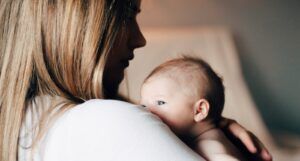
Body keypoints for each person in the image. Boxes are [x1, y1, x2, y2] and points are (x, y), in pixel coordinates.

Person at [0, 0, 272, 161]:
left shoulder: (24, 120)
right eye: (127, 16)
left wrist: (208, 128)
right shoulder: (103, 120)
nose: (139, 39)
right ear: (74, 24)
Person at [140, 56, 247, 160]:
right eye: (143, 105)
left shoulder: (208, 145)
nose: (147, 111)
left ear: (199, 110)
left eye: (160, 102)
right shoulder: (213, 136)